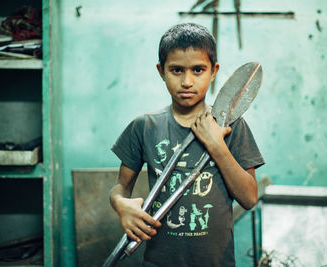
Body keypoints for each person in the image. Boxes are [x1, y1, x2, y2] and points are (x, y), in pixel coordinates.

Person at [110, 22, 265, 267]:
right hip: (159, 262)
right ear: (161, 71)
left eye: (198, 70)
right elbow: (120, 187)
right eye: (177, 70)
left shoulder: (232, 126)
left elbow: (249, 198)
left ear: (214, 71)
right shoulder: (144, 126)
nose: (187, 82)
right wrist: (121, 205)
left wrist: (217, 145)